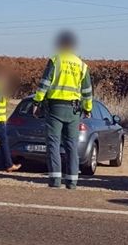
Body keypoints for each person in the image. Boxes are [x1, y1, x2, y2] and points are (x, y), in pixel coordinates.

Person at [32, 31, 93, 189]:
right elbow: (87, 91)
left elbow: (44, 83)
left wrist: (37, 102)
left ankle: (55, 181)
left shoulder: (55, 60)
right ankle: (72, 182)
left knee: (53, 144)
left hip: (55, 108)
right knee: (71, 145)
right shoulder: (81, 65)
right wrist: (88, 109)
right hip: (74, 110)